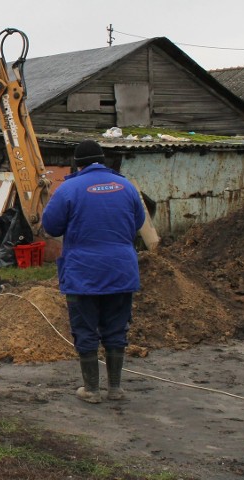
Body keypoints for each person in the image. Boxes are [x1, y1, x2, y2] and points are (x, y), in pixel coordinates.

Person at [41, 140, 145, 404]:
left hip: (83, 273)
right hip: (122, 271)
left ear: (78, 164)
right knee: (117, 327)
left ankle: (91, 389)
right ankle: (115, 388)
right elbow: (138, 222)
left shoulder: (69, 189)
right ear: (103, 160)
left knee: (85, 328)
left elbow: (51, 227)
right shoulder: (127, 186)